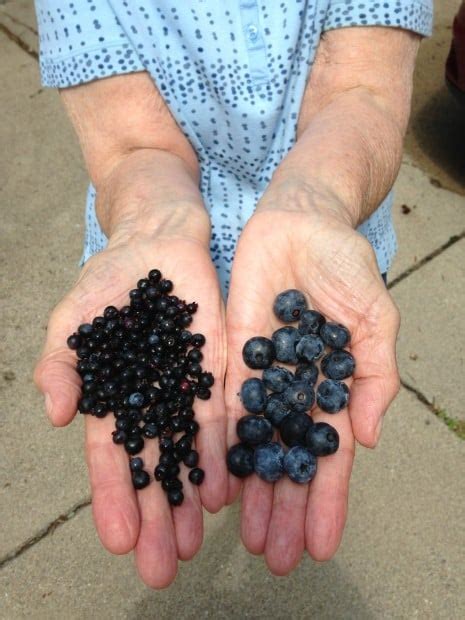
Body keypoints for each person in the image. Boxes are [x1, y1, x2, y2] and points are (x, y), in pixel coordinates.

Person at [33, 1, 433, 588]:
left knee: (276, 437)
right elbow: (130, 146)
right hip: (165, 253)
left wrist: (317, 198)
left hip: (313, 261)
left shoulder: (300, 336)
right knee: (218, 445)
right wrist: (150, 222)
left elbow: (364, 90)